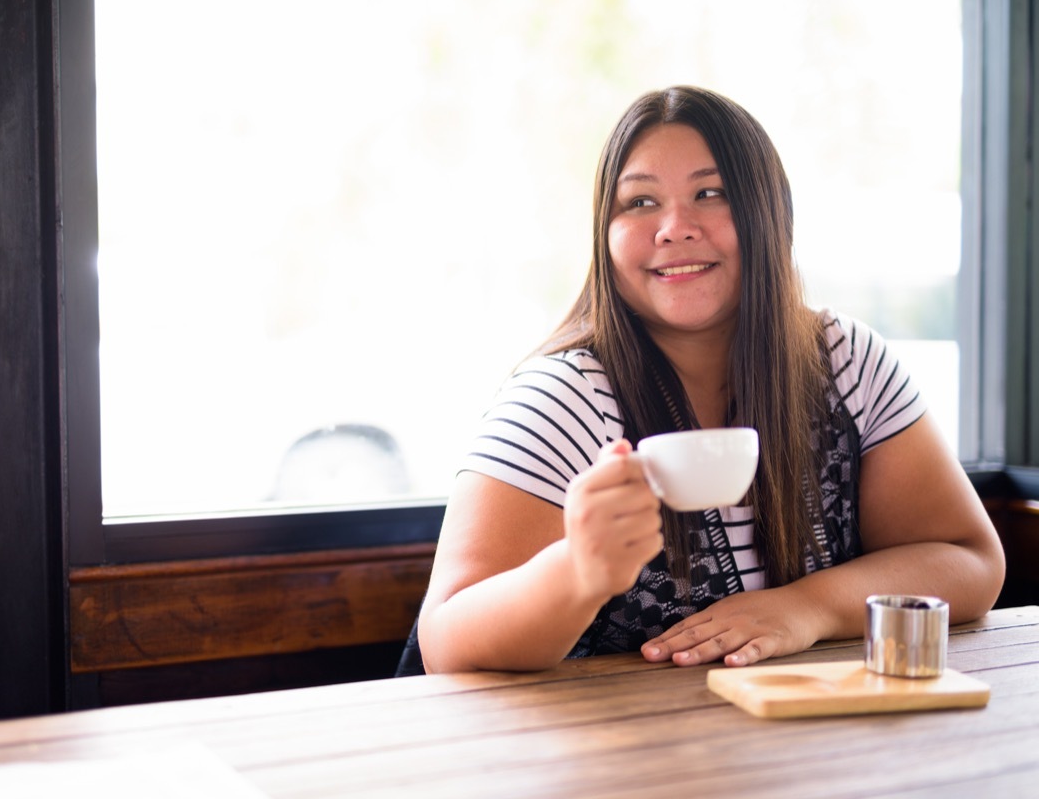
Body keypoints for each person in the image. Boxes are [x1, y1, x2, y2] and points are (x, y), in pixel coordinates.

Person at [401, 85, 1006, 676]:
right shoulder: (563, 396)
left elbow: (970, 561)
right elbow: (446, 643)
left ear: (770, 216)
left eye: (711, 193)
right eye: (639, 203)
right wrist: (578, 569)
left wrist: (808, 607)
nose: (673, 227)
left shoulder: (844, 359)